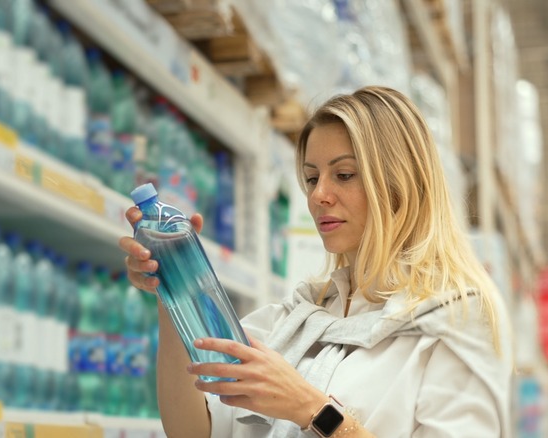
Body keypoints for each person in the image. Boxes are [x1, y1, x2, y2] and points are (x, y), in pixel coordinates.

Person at [118, 86, 512, 437]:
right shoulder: (296, 321)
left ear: (400, 184)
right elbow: (193, 432)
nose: (318, 195)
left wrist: (311, 410)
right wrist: (172, 288)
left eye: (343, 174)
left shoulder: (456, 322)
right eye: (311, 178)